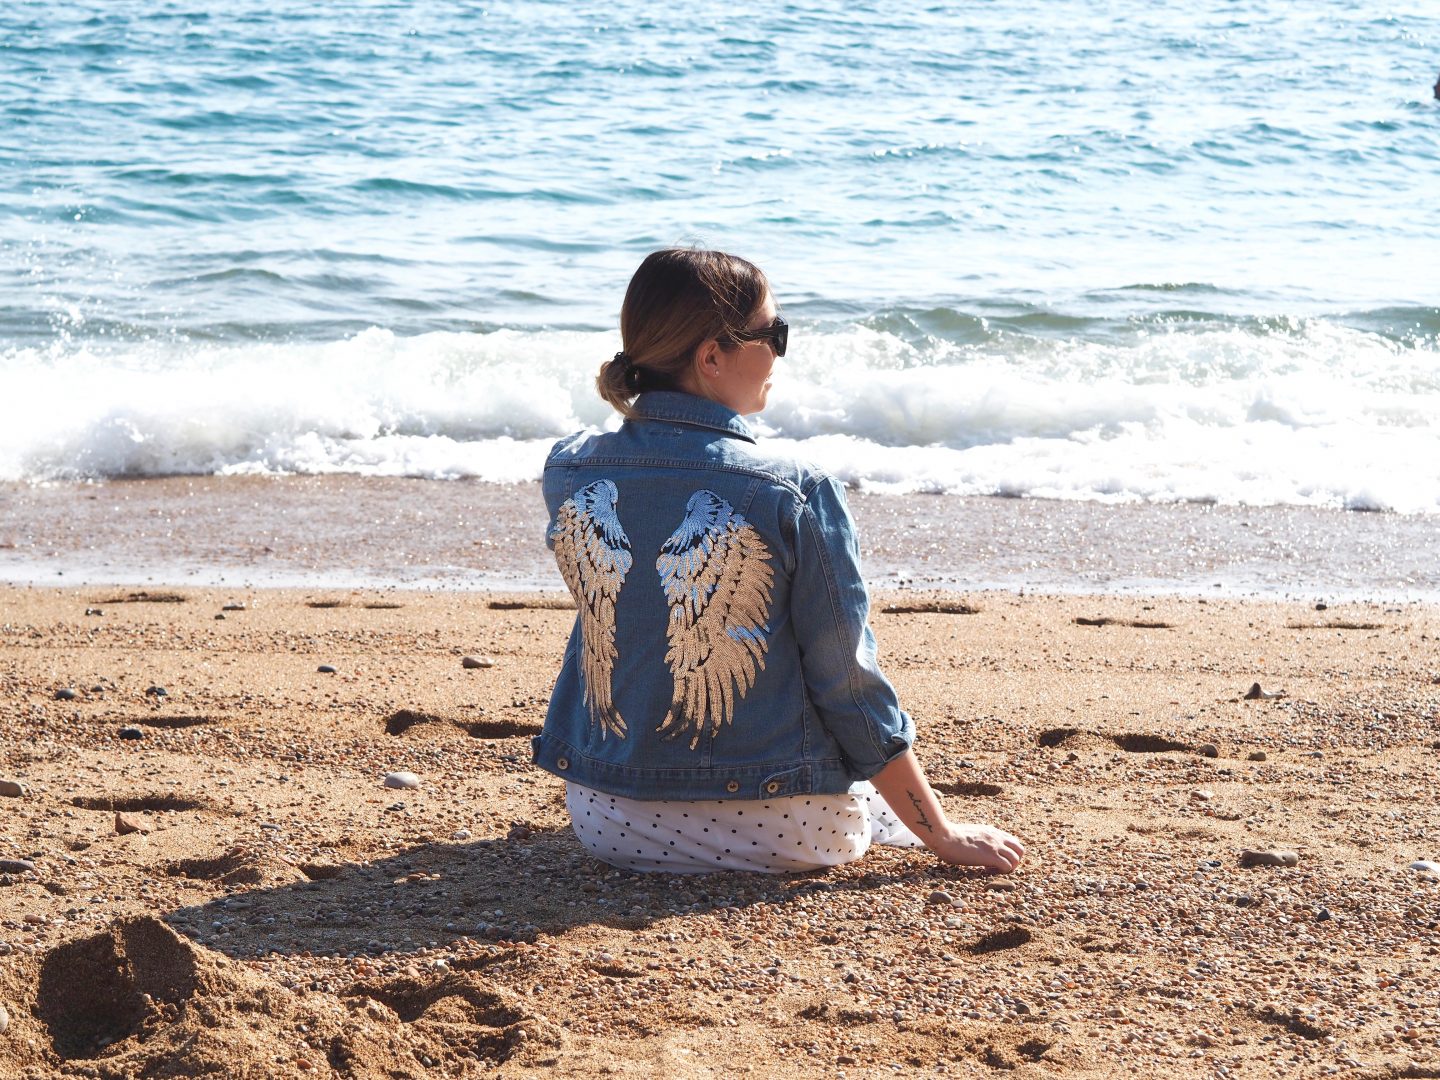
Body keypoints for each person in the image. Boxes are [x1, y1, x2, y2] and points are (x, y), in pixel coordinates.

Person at [532, 248, 1024, 875]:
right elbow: (846, 682)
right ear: (711, 356)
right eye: (774, 335)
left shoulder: (571, 467)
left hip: (607, 819)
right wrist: (942, 834)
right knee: (859, 781)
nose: (781, 354)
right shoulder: (792, 489)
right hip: (779, 827)